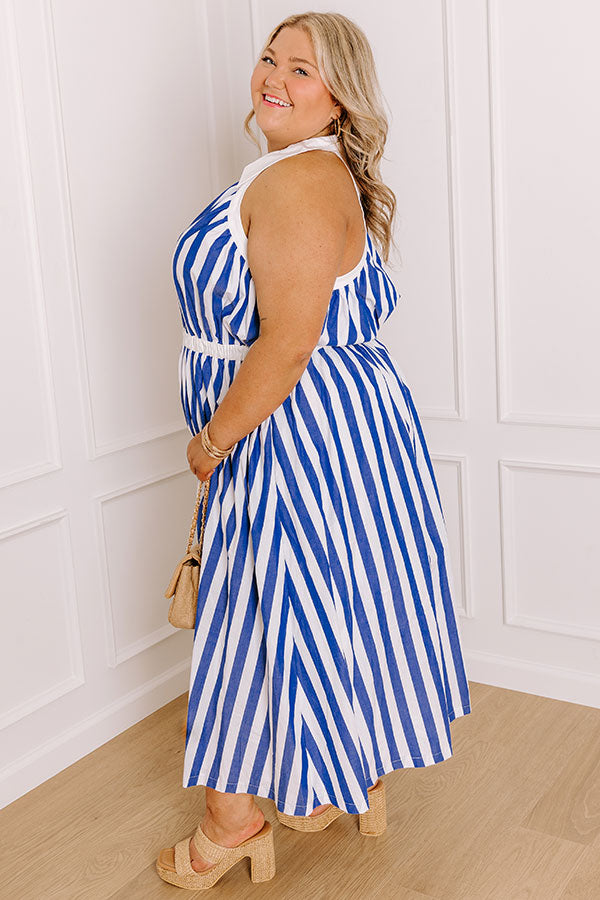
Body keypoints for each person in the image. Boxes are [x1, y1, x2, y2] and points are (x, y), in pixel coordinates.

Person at [156, 10, 471, 891]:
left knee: (252, 616)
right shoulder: (303, 170)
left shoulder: (299, 181)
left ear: (340, 99)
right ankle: (349, 779)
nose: (274, 77)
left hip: (290, 432)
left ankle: (231, 823)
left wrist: (212, 437)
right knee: (338, 601)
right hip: (335, 429)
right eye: (270, 57)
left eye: (302, 68)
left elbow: (289, 343)